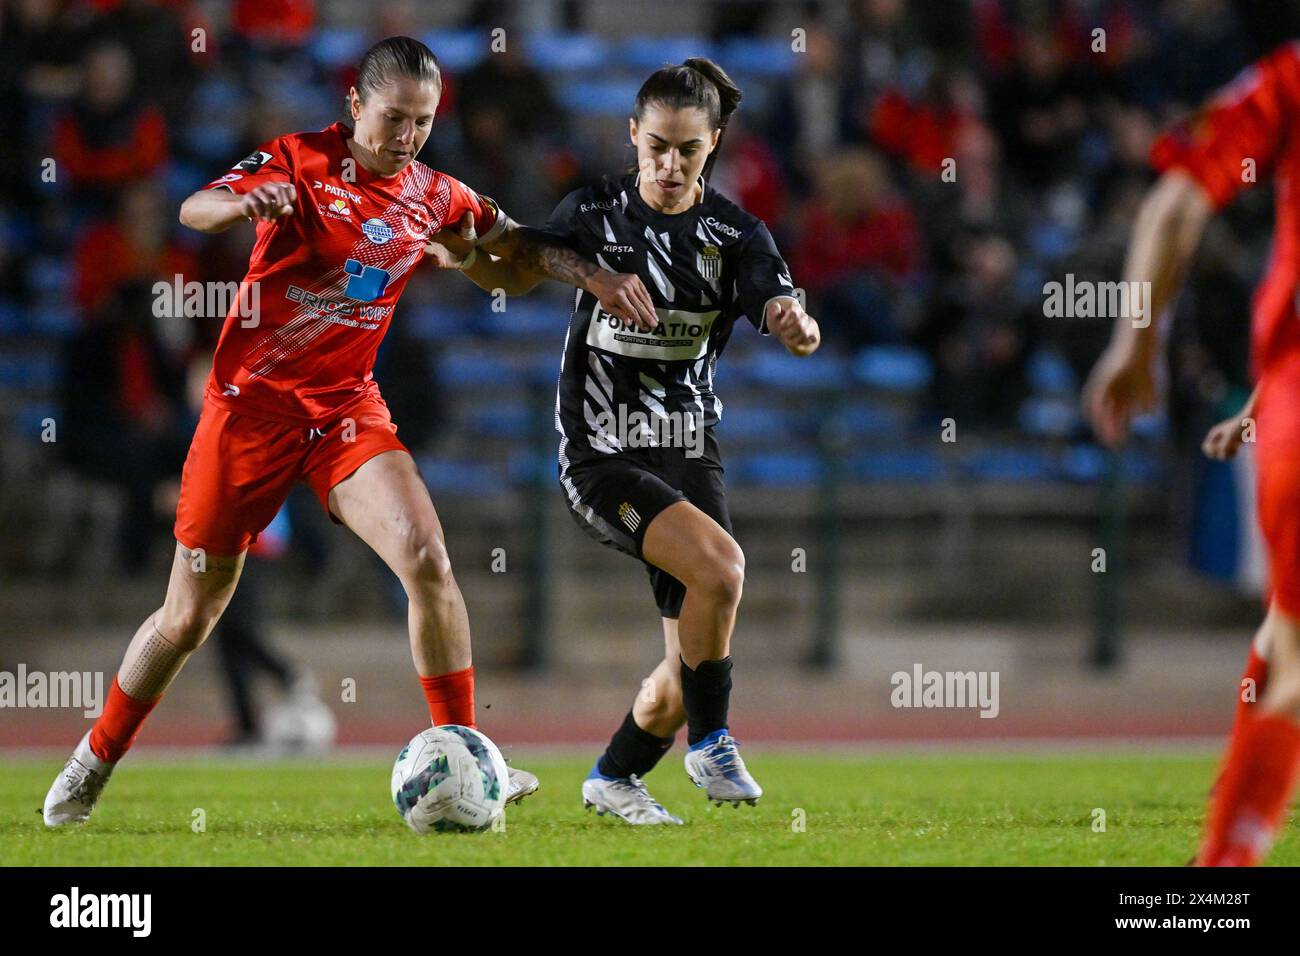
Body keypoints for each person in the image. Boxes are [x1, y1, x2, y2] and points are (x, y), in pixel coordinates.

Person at [43, 35, 659, 826]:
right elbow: (195, 207)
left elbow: (514, 244)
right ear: (353, 106)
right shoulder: (299, 161)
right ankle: (94, 756)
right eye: (393, 118)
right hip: (249, 415)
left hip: (344, 414)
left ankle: (465, 751)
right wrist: (242, 203)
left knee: (428, 558)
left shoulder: (434, 193)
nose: (405, 137)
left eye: (423, 122)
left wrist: (597, 275)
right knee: (189, 616)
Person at [428, 58, 821, 824]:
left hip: (688, 447)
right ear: (633, 136)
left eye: (690, 151)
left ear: (715, 145)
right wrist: (545, 270)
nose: (671, 166)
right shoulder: (598, 212)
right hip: (602, 451)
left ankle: (614, 776)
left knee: (683, 669)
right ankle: (712, 741)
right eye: (658, 148)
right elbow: (525, 260)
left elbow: (775, 294)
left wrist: (792, 321)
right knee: (724, 568)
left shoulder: (734, 234)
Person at [1083, 42, 1300, 865]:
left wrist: (1137, 346)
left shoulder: (1287, 81)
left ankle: (1222, 861)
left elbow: (1174, 205)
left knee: (1289, 640)